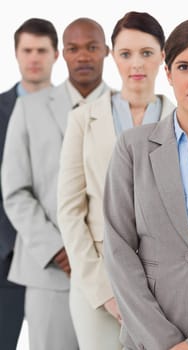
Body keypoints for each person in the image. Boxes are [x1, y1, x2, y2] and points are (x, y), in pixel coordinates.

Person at [103, 15, 188, 350]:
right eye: (186, 67)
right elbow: (118, 249)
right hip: (146, 340)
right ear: (169, 73)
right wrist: (164, 343)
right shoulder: (132, 148)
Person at [57, 11, 174, 350]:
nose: (136, 64)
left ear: (163, 56)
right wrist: (102, 290)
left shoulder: (181, 121)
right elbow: (69, 210)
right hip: (97, 279)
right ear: (113, 56)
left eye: (147, 53)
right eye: (126, 54)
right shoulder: (83, 119)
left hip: (164, 286)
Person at [1, 17, 110, 350]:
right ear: (64, 54)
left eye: (92, 48)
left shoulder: (125, 107)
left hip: (111, 274)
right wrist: (58, 250)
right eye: (74, 49)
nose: (83, 57)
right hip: (49, 272)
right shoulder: (29, 108)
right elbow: (15, 191)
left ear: (106, 51)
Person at [0, 17, 58, 350]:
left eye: (41, 50)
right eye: (27, 50)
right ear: (16, 54)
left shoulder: (78, 110)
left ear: (55, 54)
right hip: (4, 256)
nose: (34, 57)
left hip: (60, 262)